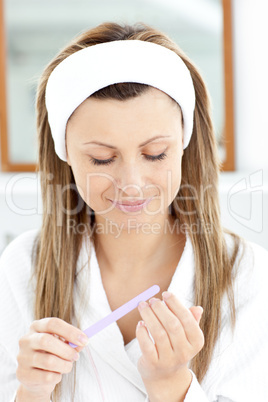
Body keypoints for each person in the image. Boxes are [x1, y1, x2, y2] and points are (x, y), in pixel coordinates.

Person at [0, 21, 267, 402]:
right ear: (67, 157)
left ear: (184, 145)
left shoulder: (248, 275)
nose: (131, 183)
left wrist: (172, 385)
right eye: (102, 158)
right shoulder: (23, 267)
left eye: (155, 153)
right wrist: (33, 390)